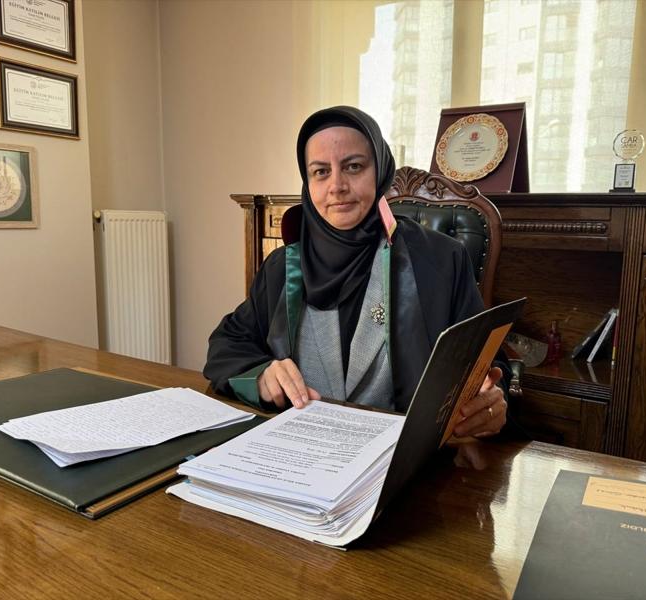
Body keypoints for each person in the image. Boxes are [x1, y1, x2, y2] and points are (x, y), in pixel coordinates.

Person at [204, 106, 507, 438]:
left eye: (353, 167)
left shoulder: (441, 259)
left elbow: (488, 365)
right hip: (299, 451)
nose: (337, 186)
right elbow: (227, 344)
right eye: (321, 172)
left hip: (401, 455)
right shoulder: (282, 267)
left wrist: (489, 403)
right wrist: (262, 376)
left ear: (380, 172)